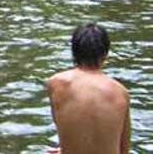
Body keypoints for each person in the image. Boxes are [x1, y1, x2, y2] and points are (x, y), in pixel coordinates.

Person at [46, 23, 130, 154]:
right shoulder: (120, 92)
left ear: (74, 52)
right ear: (105, 54)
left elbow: (65, 131)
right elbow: (124, 150)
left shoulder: (56, 84)